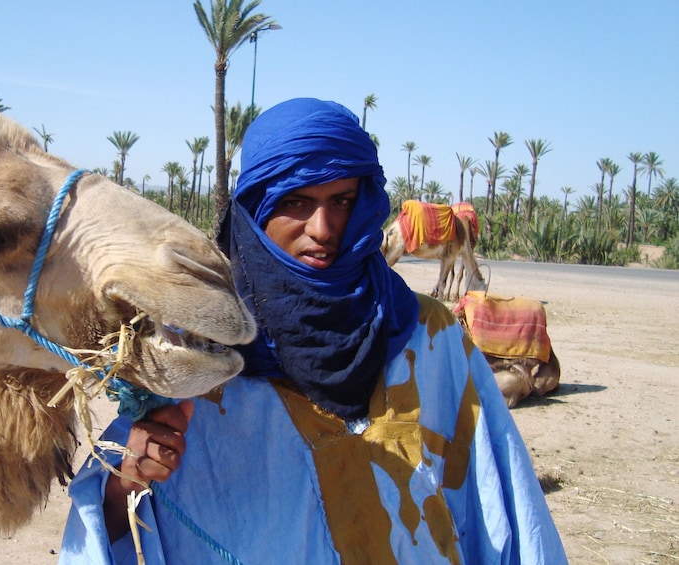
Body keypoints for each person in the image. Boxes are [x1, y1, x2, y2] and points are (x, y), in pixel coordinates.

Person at [59, 98, 567, 564]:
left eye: (342, 200)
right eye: (295, 202)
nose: (324, 229)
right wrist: (126, 479)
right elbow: (107, 521)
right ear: (255, 210)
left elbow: (506, 512)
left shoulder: (427, 336)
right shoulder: (197, 348)